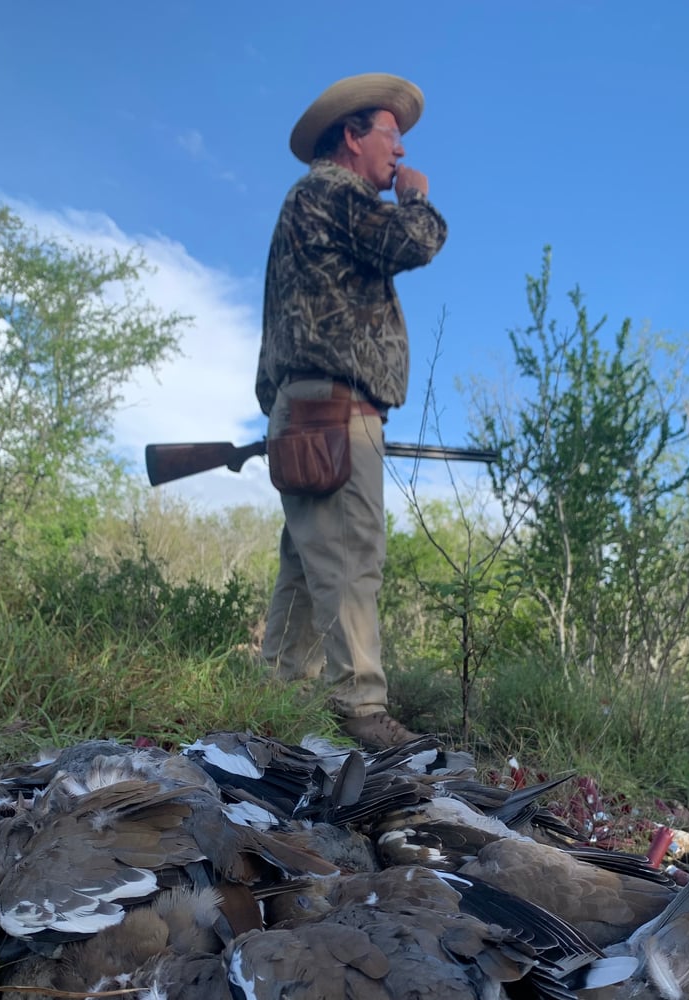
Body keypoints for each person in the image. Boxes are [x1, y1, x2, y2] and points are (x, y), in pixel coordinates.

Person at [255, 73, 448, 750]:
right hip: (334, 409)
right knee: (351, 554)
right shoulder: (333, 192)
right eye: (391, 134)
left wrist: (279, 411)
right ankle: (360, 709)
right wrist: (416, 197)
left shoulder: (311, 202)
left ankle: (271, 706)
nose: (399, 152)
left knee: (309, 568)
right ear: (352, 135)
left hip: (309, 406)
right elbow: (413, 242)